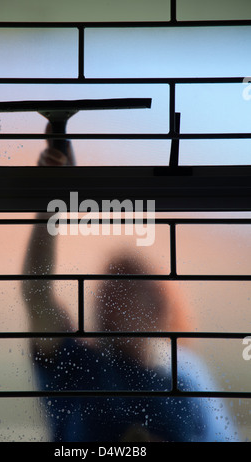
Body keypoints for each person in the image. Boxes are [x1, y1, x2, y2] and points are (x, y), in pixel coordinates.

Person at [22, 123, 240, 442]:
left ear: (159, 305)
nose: (108, 301)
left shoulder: (186, 376)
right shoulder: (79, 364)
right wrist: (49, 201)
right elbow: (36, 294)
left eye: (126, 291)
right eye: (107, 291)